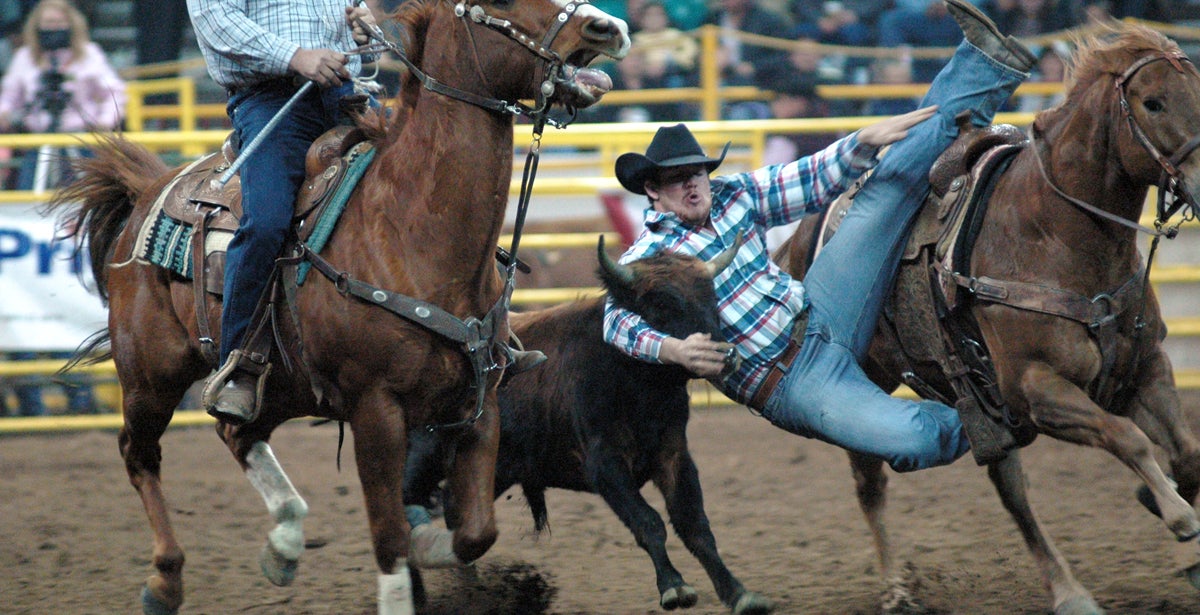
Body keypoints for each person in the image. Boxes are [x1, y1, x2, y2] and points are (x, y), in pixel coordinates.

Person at [603, 0, 1036, 472]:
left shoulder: (732, 195)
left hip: (822, 306)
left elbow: (805, 179)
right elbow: (614, 321)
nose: (693, 183)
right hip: (790, 382)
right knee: (915, 441)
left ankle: (985, 63)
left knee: (886, 184)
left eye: (698, 173)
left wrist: (861, 142)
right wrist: (674, 349)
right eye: (677, 178)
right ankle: (1006, 414)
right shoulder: (648, 256)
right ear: (653, 190)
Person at [187, 0, 382, 424]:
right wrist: (296, 56)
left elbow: (356, 26)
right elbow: (216, 21)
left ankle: (473, 333)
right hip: (271, 102)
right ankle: (240, 359)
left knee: (427, 182)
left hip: (343, 96)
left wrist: (365, 32)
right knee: (267, 221)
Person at [0, 0, 125, 191]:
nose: (54, 28)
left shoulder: (89, 54)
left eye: (59, 23)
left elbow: (114, 92)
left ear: (71, 24)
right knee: (26, 194)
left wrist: (105, 120)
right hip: (37, 143)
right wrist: (6, 114)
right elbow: (9, 97)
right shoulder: (24, 57)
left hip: (80, 142)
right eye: (48, 23)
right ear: (37, 26)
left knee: (87, 195)